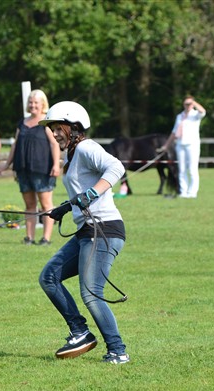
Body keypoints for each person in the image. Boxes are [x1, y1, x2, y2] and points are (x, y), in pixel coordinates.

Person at [38, 101, 129, 364]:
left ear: (74, 127)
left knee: (90, 292)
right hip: (86, 231)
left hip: (104, 230)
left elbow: (117, 168)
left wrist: (90, 194)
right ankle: (80, 331)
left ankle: (118, 351)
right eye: (52, 129)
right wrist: (64, 208)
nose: (54, 134)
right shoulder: (73, 155)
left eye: (58, 128)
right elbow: (82, 191)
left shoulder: (87, 148)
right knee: (49, 277)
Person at [0, 89, 61, 246]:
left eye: (36, 103)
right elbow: (15, 145)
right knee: (29, 205)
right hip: (23, 169)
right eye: (31, 102)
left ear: (42, 105)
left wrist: (56, 164)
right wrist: (7, 164)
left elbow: (54, 144)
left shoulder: (46, 122)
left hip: (43, 169)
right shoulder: (22, 123)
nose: (33, 105)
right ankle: (29, 237)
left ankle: (46, 238)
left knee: (46, 205)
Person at [159, 96, 206, 198]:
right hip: (180, 144)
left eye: (189, 104)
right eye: (186, 104)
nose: (187, 106)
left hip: (192, 144)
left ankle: (192, 192)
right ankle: (183, 191)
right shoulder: (180, 116)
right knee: (182, 169)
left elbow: (203, 111)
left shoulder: (195, 115)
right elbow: (174, 132)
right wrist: (166, 145)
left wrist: (194, 102)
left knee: (192, 169)